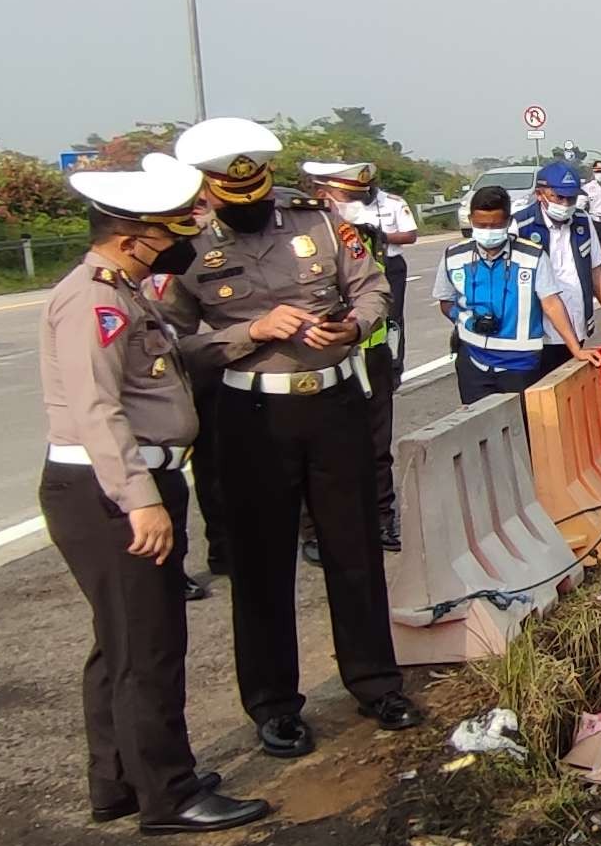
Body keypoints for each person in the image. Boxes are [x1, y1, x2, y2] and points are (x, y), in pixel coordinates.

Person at [164, 116, 418, 757]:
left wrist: (353, 329)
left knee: (354, 550)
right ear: (211, 191)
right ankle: (274, 704)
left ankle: (375, 682)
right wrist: (251, 333)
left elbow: (372, 290)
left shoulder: (322, 223)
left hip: (333, 404)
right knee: (262, 564)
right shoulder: (186, 250)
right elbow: (176, 346)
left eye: (260, 194)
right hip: (252, 418)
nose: (252, 208)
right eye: (233, 198)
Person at [38, 154, 269, 834]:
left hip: (128, 477)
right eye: (169, 230)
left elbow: (173, 361)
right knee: (149, 645)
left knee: (120, 642)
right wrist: (138, 498)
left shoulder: (129, 290)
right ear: (130, 235)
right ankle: (169, 796)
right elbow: (95, 406)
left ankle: (119, 780)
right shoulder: (96, 300)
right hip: (110, 487)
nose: (180, 240)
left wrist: (248, 334)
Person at [302, 160, 416, 551]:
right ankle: (317, 531)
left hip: (371, 352)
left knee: (377, 444)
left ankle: (382, 519)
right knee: (321, 451)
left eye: (357, 198)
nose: (354, 205)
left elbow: (380, 295)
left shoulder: (361, 237)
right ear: (321, 195)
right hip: (321, 361)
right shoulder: (295, 243)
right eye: (346, 197)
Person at [441, 184, 591, 401]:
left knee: (525, 429)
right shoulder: (453, 256)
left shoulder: (532, 256)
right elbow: (446, 301)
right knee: (479, 429)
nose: (488, 231)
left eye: (495, 225)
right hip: (473, 362)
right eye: (481, 225)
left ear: (509, 222)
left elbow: (551, 303)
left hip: (520, 366)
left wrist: (575, 349)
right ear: (471, 220)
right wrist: (467, 320)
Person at [513, 159, 601, 349]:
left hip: (576, 323)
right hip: (538, 334)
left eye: (571, 199)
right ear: (540, 195)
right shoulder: (520, 226)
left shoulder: (582, 221)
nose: (565, 204)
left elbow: (596, 270)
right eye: (559, 197)